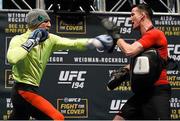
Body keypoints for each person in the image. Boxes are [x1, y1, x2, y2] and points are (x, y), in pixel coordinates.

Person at [6, 9, 113, 120]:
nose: (49, 25)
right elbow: (12, 59)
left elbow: (73, 43)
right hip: (22, 90)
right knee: (57, 118)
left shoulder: (50, 39)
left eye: (50, 21)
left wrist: (93, 42)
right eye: (45, 21)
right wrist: (31, 42)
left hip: (30, 90)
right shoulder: (18, 39)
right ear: (35, 22)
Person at [113, 3, 171, 120]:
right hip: (143, 92)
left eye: (133, 14)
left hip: (157, 91)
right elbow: (144, 62)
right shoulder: (145, 39)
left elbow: (129, 50)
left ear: (142, 16)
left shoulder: (155, 34)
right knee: (118, 119)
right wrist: (125, 70)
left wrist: (116, 37)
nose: (130, 19)